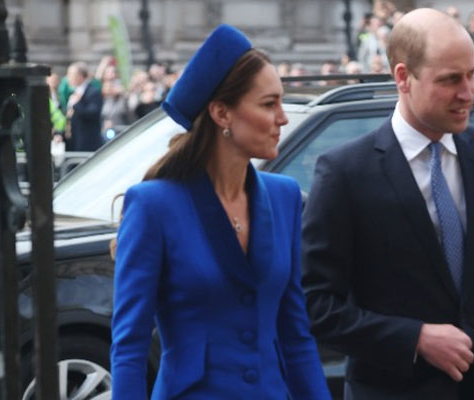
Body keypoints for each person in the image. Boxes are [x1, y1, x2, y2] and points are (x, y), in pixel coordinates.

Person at [302, 8, 474, 400]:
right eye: (451, 79)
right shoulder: (345, 173)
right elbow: (317, 306)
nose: (468, 93)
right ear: (403, 77)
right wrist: (414, 338)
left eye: (472, 74)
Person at [110, 24, 331, 400]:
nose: (283, 117)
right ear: (221, 114)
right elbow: (128, 349)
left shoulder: (285, 197)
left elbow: (295, 334)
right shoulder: (153, 205)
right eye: (268, 104)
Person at [65, 61, 104, 151]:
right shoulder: (73, 92)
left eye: (71, 74)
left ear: (80, 76)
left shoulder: (93, 92)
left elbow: (92, 113)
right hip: (73, 141)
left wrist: (76, 105)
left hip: (87, 143)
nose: (68, 77)